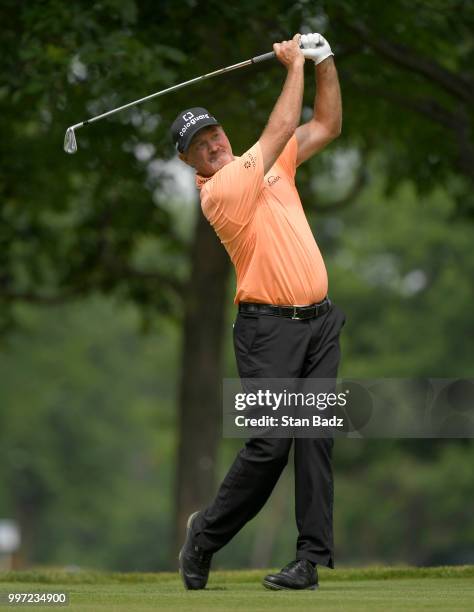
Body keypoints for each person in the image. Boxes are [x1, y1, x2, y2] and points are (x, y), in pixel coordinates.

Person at [171, 32, 345, 591]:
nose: (212, 143)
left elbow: (326, 126)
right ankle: (205, 539)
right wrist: (292, 65)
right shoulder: (219, 191)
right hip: (267, 330)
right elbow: (277, 130)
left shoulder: (267, 166)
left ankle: (309, 562)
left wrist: (324, 63)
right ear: (189, 162)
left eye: (214, 132)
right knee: (270, 446)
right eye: (199, 144)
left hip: (319, 323)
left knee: (315, 439)